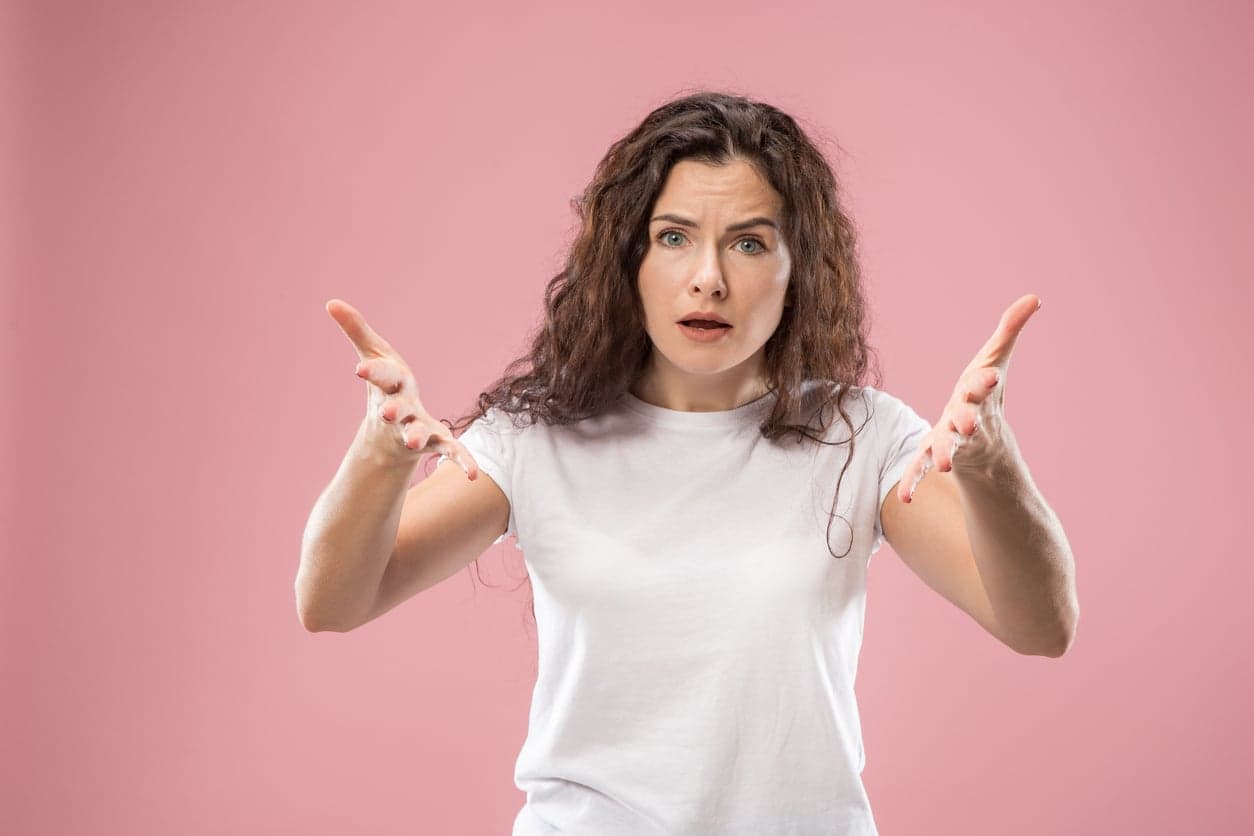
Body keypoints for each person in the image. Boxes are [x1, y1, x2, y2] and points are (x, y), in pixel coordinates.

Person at [298, 90, 1079, 836]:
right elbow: (333, 601)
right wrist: (378, 457)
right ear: (628, 259)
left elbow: (1040, 626)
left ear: (799, 271)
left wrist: (991, 466)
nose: (709, 277)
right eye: (673, 237)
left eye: (749, 243)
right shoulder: (535, 440)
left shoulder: (861, 436)